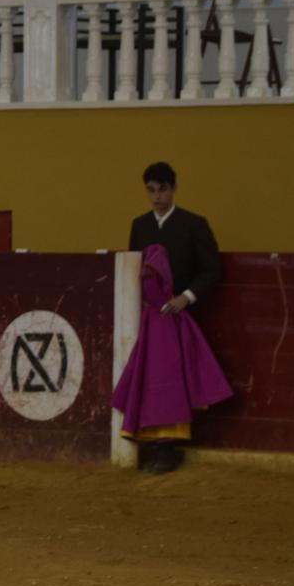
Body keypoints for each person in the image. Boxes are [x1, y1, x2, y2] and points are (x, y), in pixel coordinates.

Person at [126, 162, 222, 473]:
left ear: (173, 188)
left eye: (162, 189)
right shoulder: (139, 226)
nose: (157, 197)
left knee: (168, 382)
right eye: (151, 190)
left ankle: (167, 449)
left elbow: (212, 270)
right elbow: (133, 271)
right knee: (151, 380)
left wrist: (186, 297)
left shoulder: (194, 225)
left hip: (179, 316)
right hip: (150, 318)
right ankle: (155, 446)